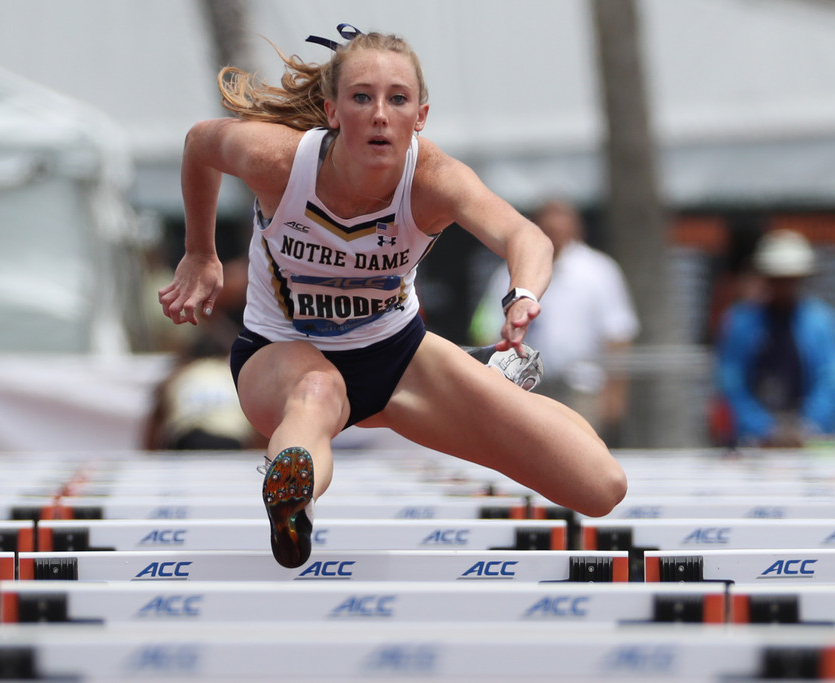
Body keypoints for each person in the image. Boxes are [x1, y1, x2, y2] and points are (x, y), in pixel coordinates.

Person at [158, 25, 626, 567]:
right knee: (318, 391)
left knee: (600, 486)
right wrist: (200, 252)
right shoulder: (279, 161)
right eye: (362, 97)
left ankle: (488, 378)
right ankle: (292, 503)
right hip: (279, 354)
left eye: (397, 99)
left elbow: (527, 236)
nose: (380, 114)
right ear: (333, 111)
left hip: (396, 358)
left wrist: (522, 293)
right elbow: (200, 143)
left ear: (419, 117)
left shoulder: (434, 180)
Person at [470, 200, 639, 438]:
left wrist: (614, 395)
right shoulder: (509, 272)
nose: (554, 237)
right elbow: (487, 330)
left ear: (576, 229)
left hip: (582, 388)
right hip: (526, 388)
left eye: (560, 229)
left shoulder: (599, 270)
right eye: (548, 230)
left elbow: (618, 335)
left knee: (578, 449)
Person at [715, 228, 835, 448]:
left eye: (790, 279)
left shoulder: (822, 322)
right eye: (778, 278)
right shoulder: (741, 323)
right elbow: (731, 382)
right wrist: (764, 428)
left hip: (811, 438)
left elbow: (832, 380)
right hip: (755, 441)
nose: (784, 286)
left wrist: (809, 426)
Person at [143, 313, 263, 452]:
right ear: (226, 354)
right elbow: (258, 423)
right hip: (231, 439)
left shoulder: (177, 376)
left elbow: (155, 426)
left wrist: (151, 456)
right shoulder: (236, 377)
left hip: (188, 438)